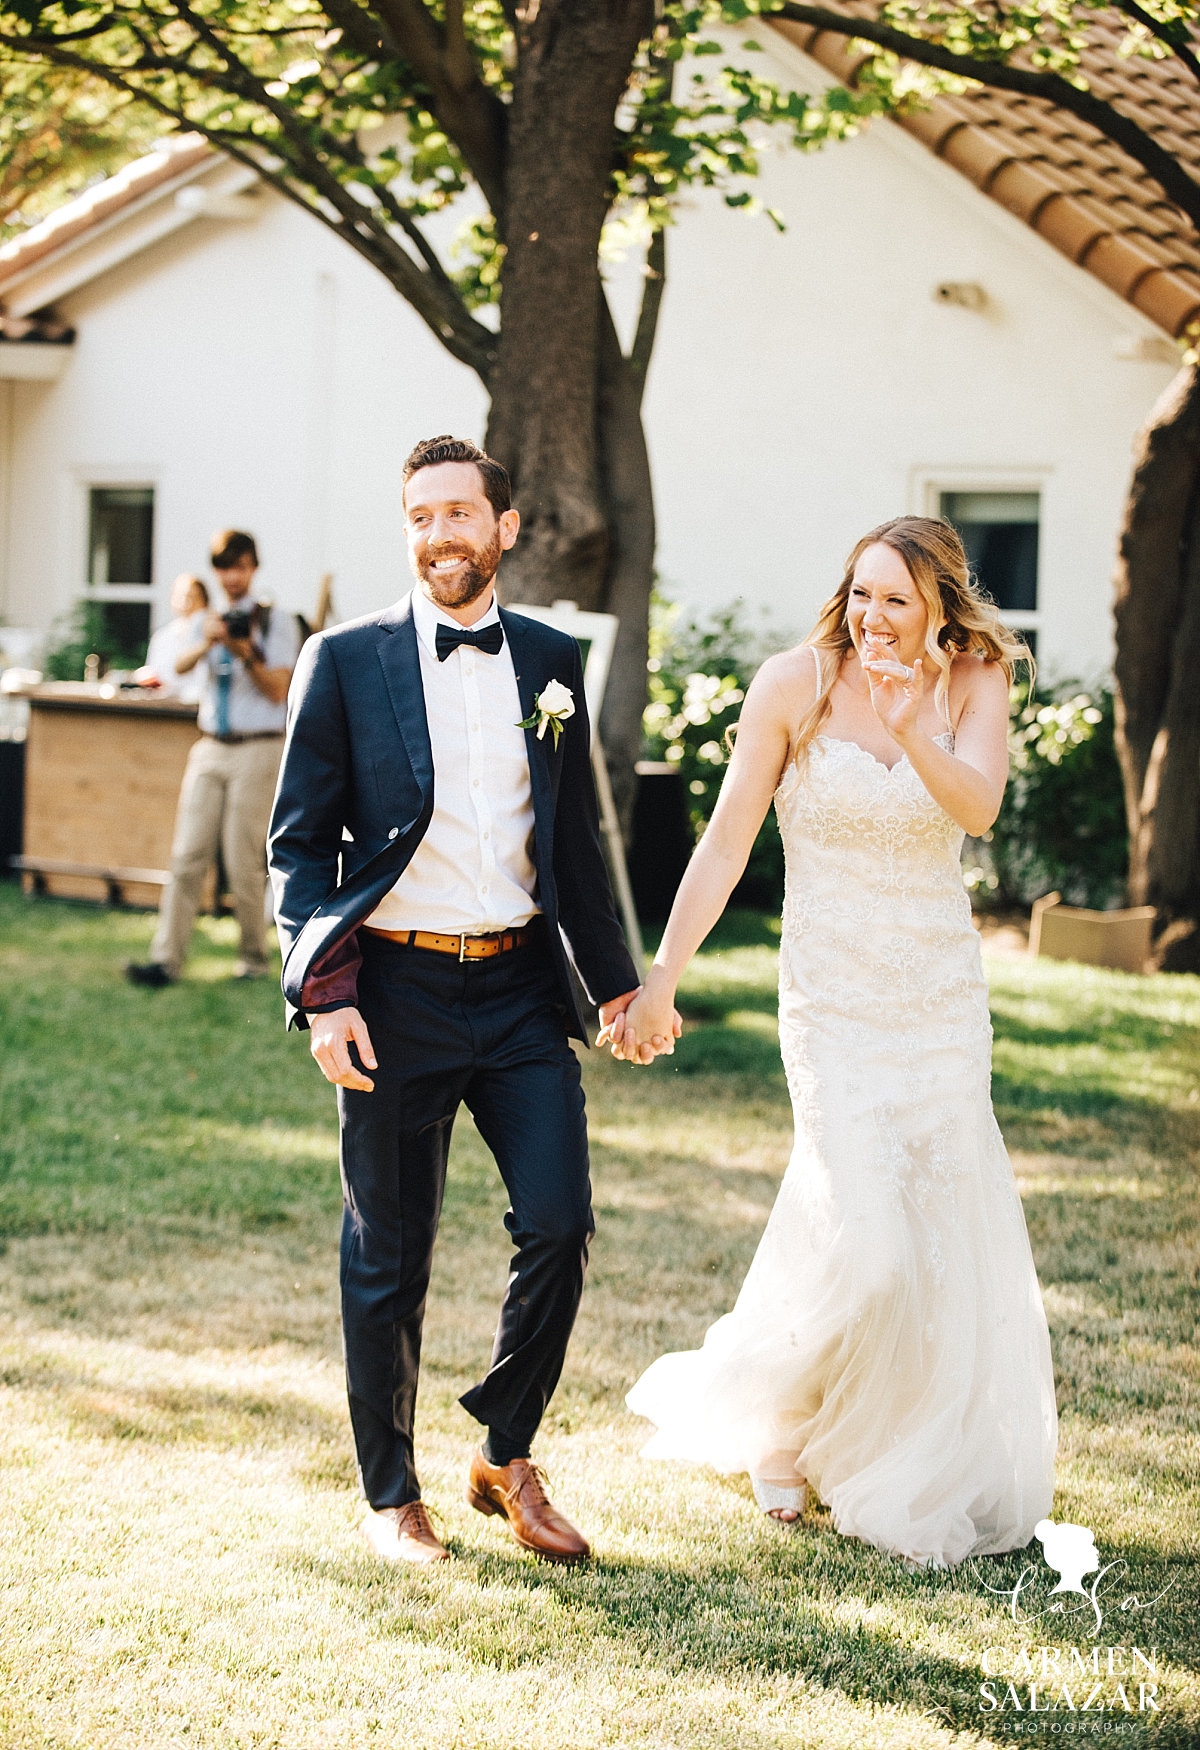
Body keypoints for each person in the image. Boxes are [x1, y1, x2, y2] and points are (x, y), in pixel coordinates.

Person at [612, 516, 1058, 1569]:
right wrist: (663, 974)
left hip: (940, 1000)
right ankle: (777, 1424)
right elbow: (726, 839)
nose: (871, 617)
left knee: (929, 1233)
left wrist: (912, 729)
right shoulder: (795, 683)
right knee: (862, 1227)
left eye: (896, 600)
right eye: (860, 593)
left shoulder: (974, 679)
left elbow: (981, 808)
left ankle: (870, 1440)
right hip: (833, 1000)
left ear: (941, 607)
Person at [267, 435, 649, 1568]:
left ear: (506, 526)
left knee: (562, 1221)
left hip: (523, 989)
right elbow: (299, 850)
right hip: (393, 988)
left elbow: (576, 844)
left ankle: (504, 1452)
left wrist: (619, 984)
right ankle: (393, 1497)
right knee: (389, 1253)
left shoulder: (552, 658)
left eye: (459, 515)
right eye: (420, 517)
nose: (439, 535)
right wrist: (326, 996)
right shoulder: (344, 659)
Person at [126, 529, 299, 988]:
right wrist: (207, 641)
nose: (232, 576)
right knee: (186, 854)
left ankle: (252, 959)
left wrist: (245, 654)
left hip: (259, 745)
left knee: (242, 858)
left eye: (240, 566)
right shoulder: (207, 619)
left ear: (253, 568)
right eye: (224, 567)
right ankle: (166, 961)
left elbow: (280, 688)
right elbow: (175, 670)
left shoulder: (276, 621)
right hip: (210, 744)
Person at [137, 572, 210, 700]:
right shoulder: (162, 636)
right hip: (166, 706)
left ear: (204, 601)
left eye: (191, 597)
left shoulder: (212, 633)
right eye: (179, 596)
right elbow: (154, 673)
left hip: (200, 704)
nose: (185, 602)